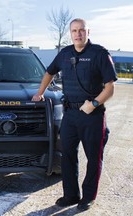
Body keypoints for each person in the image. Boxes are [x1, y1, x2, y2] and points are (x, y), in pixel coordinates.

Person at [32, 18, 117, 211]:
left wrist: (94, 103)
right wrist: (40, 93)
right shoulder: (64, 54)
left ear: (88, 32)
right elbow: (49, 72)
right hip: (70, 114)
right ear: (70, 33)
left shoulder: (100, 54)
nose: (78, 34)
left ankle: (88, 197)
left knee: (94, 157)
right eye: (74, 31)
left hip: (92, 116)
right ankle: (70, 195)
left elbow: (111, 88)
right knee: (67, 156)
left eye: (82, 30)